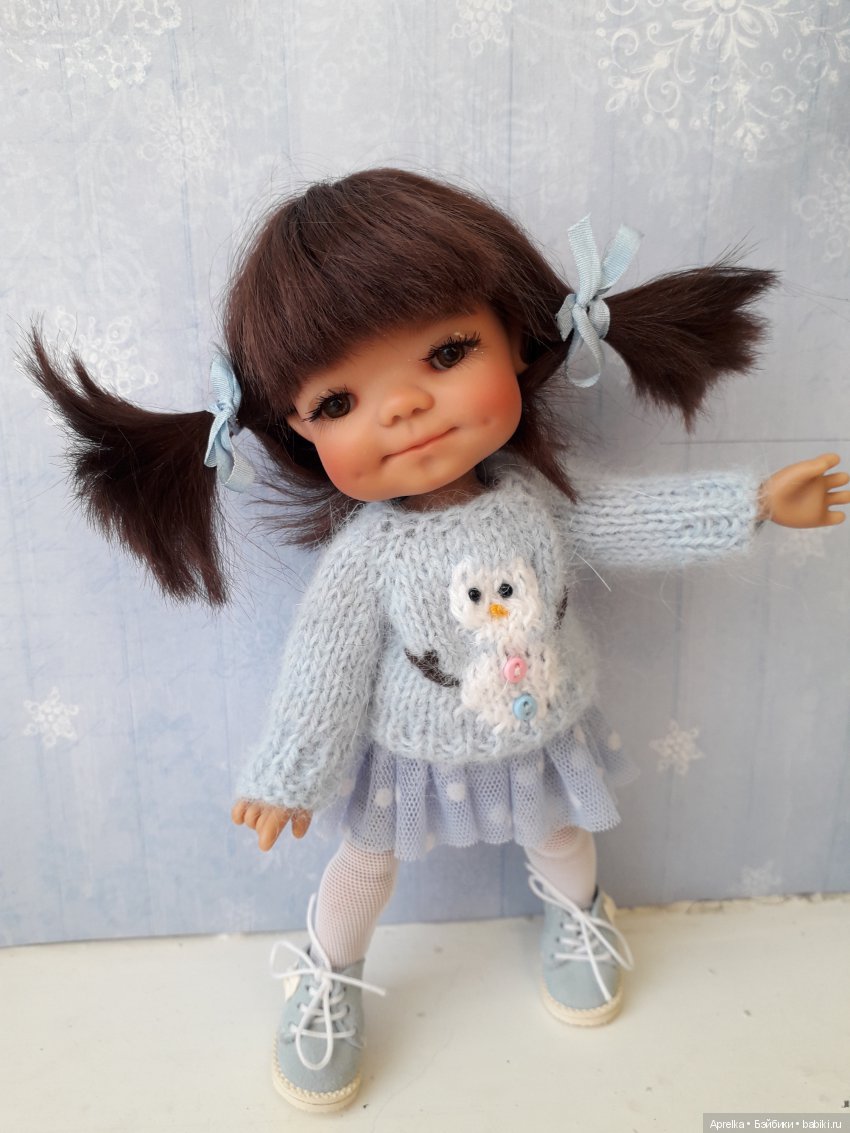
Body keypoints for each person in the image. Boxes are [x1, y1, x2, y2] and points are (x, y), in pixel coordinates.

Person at [26, 168, 849, 1115]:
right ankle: (329, 974)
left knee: (563, 832)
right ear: (295, 429)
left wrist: (751, 504)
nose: (404, 408)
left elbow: (625, 520)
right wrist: (289, 769)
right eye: (340, 402)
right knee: (364, 862)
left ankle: (579, 917)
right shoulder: (371, 553)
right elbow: (325, 666)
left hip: (540, 729)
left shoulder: (539, 505)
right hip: (409, 756)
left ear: (516, 337)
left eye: (447, 352)